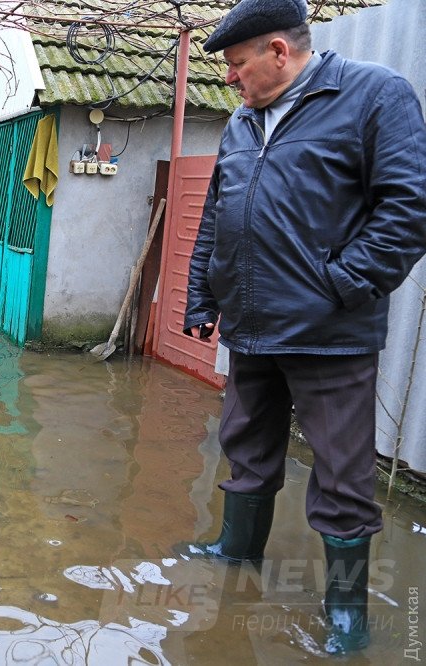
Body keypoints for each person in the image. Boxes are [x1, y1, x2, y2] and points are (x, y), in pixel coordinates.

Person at [181, 0, 426, 655]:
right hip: (251, 324)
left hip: (330, 332)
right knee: (246, 445)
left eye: (237, 64)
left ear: (278, 52)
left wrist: (340, 286)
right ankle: (237, 553)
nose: (230, 78)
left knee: (343, 475)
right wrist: (202, 296)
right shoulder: (241, 122)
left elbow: (408, 209)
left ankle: (346, 610)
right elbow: (216, 217)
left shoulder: (374, 97)